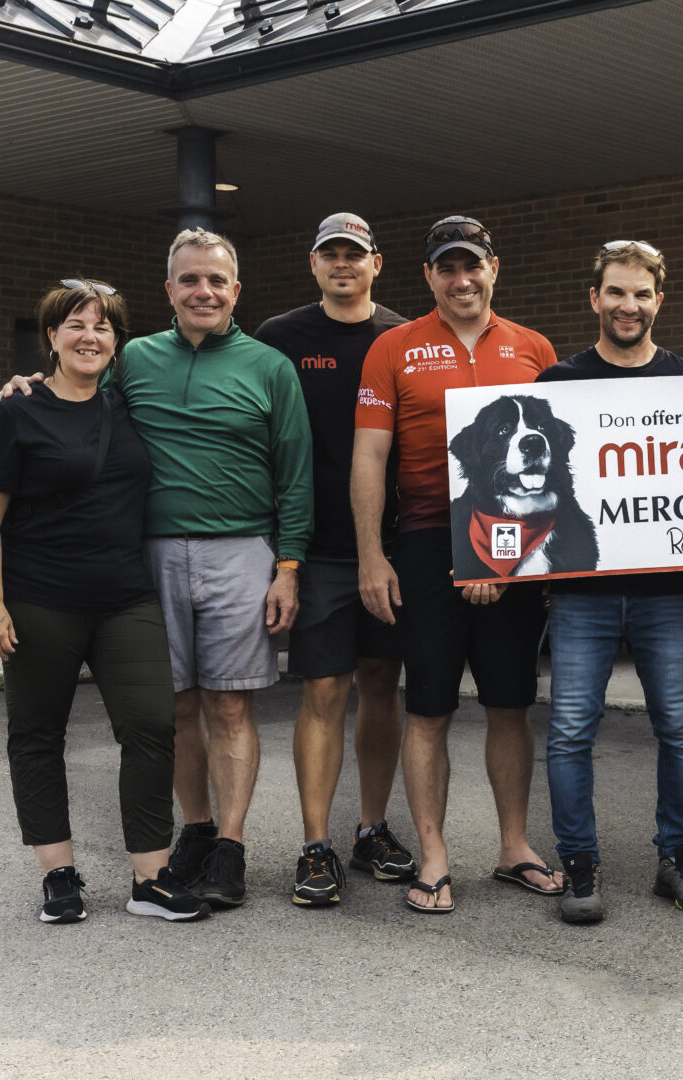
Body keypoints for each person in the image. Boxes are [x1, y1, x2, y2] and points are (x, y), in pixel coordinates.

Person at [0, 232, 314, 909]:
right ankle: (192, 830)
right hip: (150, 553)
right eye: (190, 280)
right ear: (169, 290)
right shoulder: (134, 357)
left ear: (236, 290)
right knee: (168, 708)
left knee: (230, 703)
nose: (205, 291)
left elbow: (296, 475)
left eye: (217, 281)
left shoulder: (270, 367)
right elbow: (72, 393)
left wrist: (288, 565)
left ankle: (228, 846)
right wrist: (23, 383)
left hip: (241, 550)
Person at [0, 279, 207, 923]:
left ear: (116, 342)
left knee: (152, 725)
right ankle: (59, 875)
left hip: (125, 597)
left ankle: (150, 880)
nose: (89, 336)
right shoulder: (15, 411)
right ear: (51, 337)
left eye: (102, 327)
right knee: (38, 734)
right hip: (40, 598)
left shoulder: (125, 404)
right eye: (75, 324)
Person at [353, 215, 563, 914]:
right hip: (424, 545)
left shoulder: (534, 347)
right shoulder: (393, 348)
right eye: (447, 267)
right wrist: (370, 556)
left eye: (472, 265)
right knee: (428, 707)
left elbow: (563, 461)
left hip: (518, 544)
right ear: (428, 277)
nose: (461, 278)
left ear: (494, 269)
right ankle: (435, 853)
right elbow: (370, 457)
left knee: (510, 704)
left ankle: (513, 847)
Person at [533, 240, 683, 923]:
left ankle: (678, 858)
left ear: (658, 301)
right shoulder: (557, 383)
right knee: (570, 730)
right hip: (581, 595)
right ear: (595, 299)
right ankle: (578, 864)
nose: (629, 305)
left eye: (641, 294)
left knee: (679, 728)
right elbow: (537, 489)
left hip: (667, 591)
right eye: (616, 292)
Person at [253, 213, 415, 907]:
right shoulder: (278, 339)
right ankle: (315, 844)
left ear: (377, 264)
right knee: (324, 691)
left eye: (356, 254)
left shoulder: (406, 338)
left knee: (382, 686)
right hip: (315, 549)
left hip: (395, 548)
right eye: (331, 254)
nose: (343, 264)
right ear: (313, 265)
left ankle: (370, 828)